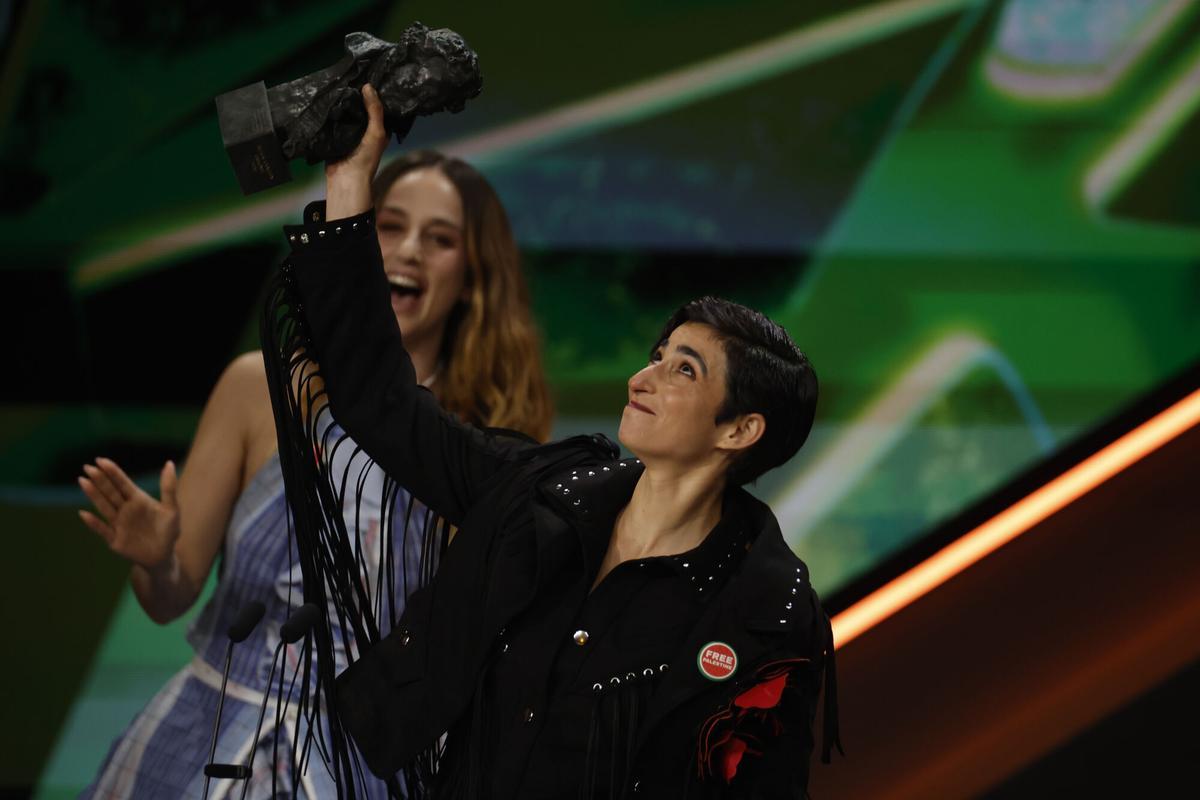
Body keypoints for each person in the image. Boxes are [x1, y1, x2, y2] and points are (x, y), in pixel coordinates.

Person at [269, 84, 839, 799]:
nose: (643, 378)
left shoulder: (767, 616)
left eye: (684, 370)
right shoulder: (540, 492)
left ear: (740, 429)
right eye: (657, 355)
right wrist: (351, 180)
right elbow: (380, 402)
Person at [76, 148, 552, 798]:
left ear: (473, 277)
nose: (409, 250)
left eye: (440, 239)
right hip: (200, 747)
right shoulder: (256, 387)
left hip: (362, 774)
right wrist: (158, 560)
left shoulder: (484, 445)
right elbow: (168, 598)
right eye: (390, 225)